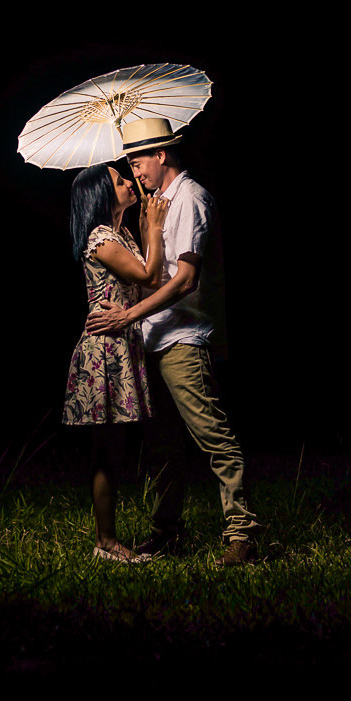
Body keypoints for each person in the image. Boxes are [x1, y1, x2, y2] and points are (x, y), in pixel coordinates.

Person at [86, 117, 259, 566]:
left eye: (138, 161)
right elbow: (150, 273)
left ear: (162, 154)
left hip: (182, 337)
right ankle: (166, 532)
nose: (134, 172)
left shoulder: (192, 198)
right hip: (152, 340)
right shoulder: (157, 204)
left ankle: (242, 534)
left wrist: (127, 315)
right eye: (129, 164)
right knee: (162, 447)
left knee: (212, 436)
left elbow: (183, 281)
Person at [63, 162, 169, 563]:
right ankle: (105, 543)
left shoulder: (118, 233)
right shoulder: (100, 238)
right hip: (103, 352)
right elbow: (150, 277)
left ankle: (107, 538)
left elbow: (144, 272)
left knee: (116, 448)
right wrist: (156, 228)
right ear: (102, 197)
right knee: (107, 449)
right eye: (120, 181)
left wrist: (144, 227)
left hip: (120, 346)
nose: (129, 182)